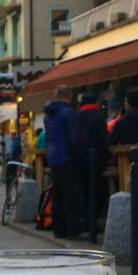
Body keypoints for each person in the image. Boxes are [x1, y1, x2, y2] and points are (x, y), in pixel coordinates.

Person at [43, 84, 81, 238]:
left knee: (57, 195)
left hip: (53, 157)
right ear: (70, 96)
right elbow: (74, 138)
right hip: (67, 157)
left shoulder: (48, 115)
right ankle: (72, 229)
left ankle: (58, 229)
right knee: (71, 195)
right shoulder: (69, 113)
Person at [77, 93, 109, 228]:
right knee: (99, 191)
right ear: (95, 103)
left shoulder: (78, 117)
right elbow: (104, 137)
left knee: (84, 190)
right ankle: (92, 222)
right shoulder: (99, 116)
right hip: (97, 159)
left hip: (80, 159)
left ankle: (84, 220)